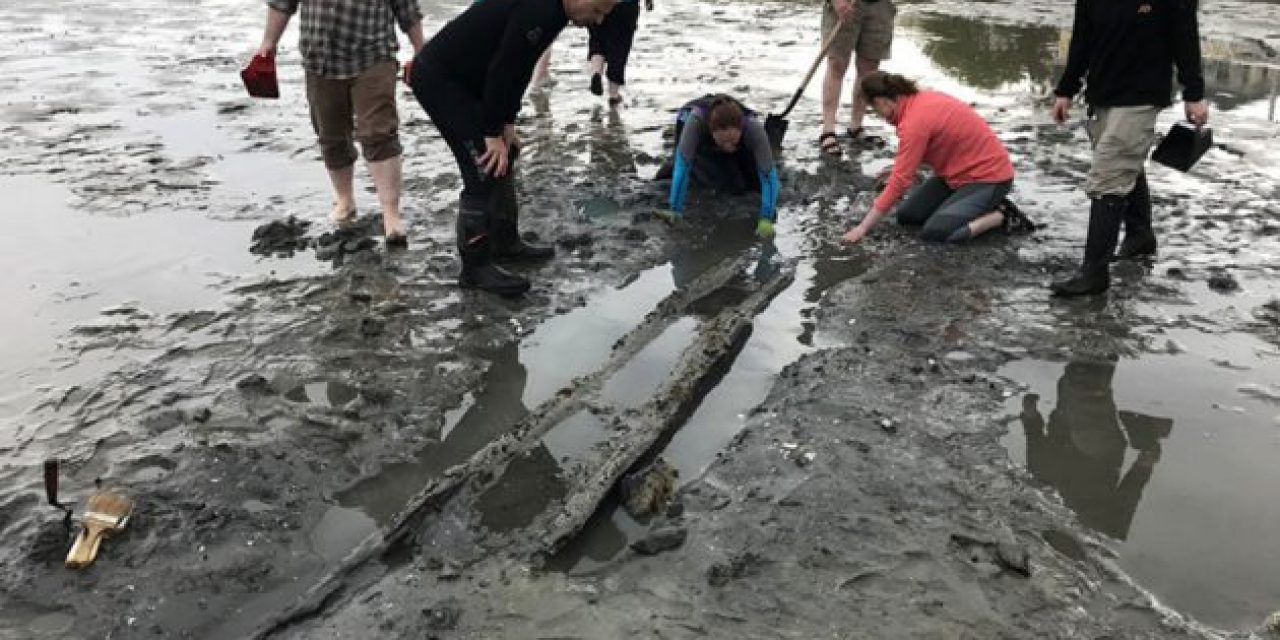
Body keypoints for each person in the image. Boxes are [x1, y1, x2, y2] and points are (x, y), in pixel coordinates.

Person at [408, 0, 620, 297]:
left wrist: (507, 123)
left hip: (470, 80)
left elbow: (520, 68)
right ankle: (475, 268)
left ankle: (505, 243)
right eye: (598, 11)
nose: (597, 21)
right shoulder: (540, 9)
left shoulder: (556, 12)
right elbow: (503, 69)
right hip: (440, 80)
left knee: (506, 153)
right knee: (484, 166)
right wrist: (491, 131)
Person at [1049, 0, 1207, 297]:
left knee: (1108, 177)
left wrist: (1194, 93)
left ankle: (1094, 273)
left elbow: (1185, 37)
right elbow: (1082, 37)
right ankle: (1140, 235)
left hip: (1142, 95)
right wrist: (1066, 90)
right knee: (1121, 165)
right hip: (1102, 93)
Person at [256, 0, 424, 246]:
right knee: (330, 134)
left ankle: (391, 215)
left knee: (379, 132)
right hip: (319, 59)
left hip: (373, 55)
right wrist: (269, 43)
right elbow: (282, 3)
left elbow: (406, 7)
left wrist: (421, 49)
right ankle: (345, 201)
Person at [840, 72, 1020, 245]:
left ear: (881, 102)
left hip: (989, 178)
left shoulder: (914, 122)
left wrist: (863, 228)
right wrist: (900, 167)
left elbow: (900, 182)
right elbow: (929, 148)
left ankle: (1001, 215)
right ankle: (966, 208)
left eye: (874, 109)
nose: (878, 114)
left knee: (936, 233)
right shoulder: (916, 100)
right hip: (955, 175)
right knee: (908, 216)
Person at [656, 94, 780, 239]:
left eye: (732, 140)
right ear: (711, 130)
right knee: (700, 172)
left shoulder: (754, 128)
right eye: (724, 141)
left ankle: (734, 151)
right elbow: (682, 166)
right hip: (692, 124)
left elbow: (768, 176)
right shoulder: (696, 122)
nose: (728, 145)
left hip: (737, 137)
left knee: (749, 181)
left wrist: (766, 218)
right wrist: (675, 210)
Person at [818, 0, 897, 157]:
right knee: (837, 64)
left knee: (869, 69)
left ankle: (856, 127)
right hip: (845, 3)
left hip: (880, 6)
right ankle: (828, 131)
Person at [586, 0, 652, 105]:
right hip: (626, 5)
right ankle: (613, 96)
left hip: (597, 4)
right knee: (619, 49)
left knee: (597, 40)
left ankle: (596, 73)